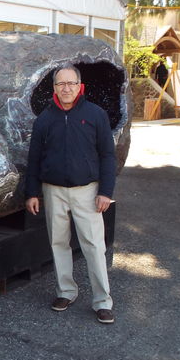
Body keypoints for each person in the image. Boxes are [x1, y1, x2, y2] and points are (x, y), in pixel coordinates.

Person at [25, 65, 117, 323]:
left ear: (80, 86)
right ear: (54, 88)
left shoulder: (95, 115)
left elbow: (108, 155)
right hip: (53, 191)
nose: (66, 88)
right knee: (58, 244)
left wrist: (106, 192)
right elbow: (34, 159)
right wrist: (32, 192)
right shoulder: (45, 119)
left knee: (94, 246)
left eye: (71, 83)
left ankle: (102, 301)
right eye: (60, 84)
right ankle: (66, 291)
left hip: (87, 192)